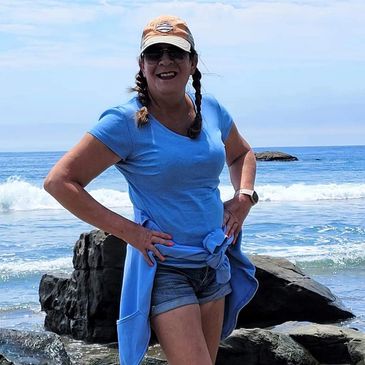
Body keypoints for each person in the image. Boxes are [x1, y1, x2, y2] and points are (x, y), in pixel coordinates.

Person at [44, 15, 258, 365]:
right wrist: (131, 234)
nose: (165, 62)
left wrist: (243, 197)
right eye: (154, 54)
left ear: (192, 63)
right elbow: (60, 181)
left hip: (213, 260)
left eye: (175, 53)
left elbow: (242, 153)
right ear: (141, 65)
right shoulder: (124, 122)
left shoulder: (211, 109)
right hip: (166, 269)